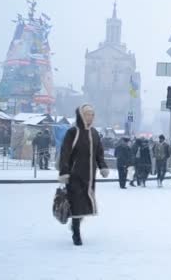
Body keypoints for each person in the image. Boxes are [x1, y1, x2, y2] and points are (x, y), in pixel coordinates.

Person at [58, 104, 109, 246]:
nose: (90, 117)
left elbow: (99, 153)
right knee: (76, 203)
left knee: (85, 203)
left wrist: (103, 167)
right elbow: (65, 153)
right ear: (81, 115)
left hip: (90, 176)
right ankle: (76, 232)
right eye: (87, 114)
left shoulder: (94, 133)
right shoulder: (72, 132)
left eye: (92, 114)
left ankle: (76, 223)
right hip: (74, 175)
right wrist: (64, 171)